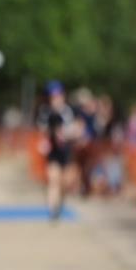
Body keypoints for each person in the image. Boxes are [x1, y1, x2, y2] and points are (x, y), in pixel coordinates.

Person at [36, 80, 83, 220]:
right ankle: (52, 209)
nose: (54, 99)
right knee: (53, 179)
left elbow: (78, 128)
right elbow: (42, 130)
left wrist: (68, 134)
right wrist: (45, 141)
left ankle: (59, 203)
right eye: (52, 96)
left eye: (57, 96)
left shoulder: (70, 111)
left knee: (64, 182)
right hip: (53, 152)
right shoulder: (45, 112)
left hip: (67, 150)